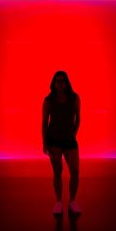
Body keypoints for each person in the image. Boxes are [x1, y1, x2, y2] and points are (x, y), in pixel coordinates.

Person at [42, 70, 81, 215]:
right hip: (54, 140)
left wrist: (74, 133)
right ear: (54, 83)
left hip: (69, 140)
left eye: (62, 80)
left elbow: (78, 118)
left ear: (66, 82)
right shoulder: (48, 100)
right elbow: (44, 122)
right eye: (57, 81)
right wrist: (44, 143)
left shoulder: (74, 98)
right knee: (57, 172)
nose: (60, 83)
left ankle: (72, 201)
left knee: (75, 172)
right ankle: (58, 202)